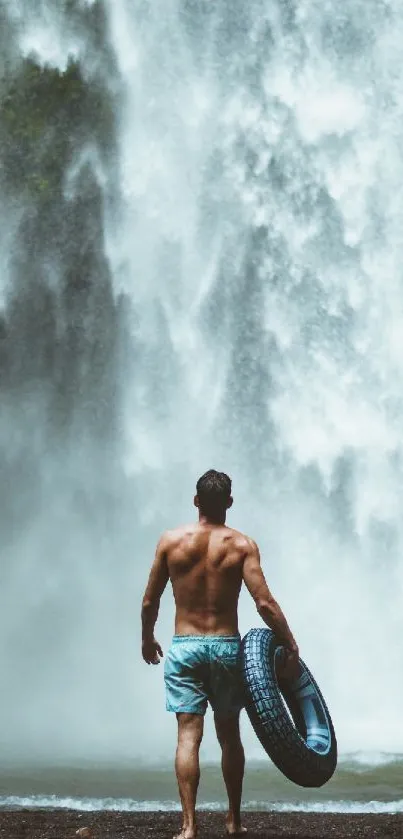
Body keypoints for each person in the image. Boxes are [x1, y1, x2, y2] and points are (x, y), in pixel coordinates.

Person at [141, 470, 299, 839]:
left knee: (186, 736)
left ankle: (189, 826)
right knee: (229, 735)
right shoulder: (242, 545)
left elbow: (151, 599)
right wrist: (289, 642)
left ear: (196, 501)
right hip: (227, 647)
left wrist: (147, 639)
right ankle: (233, 820)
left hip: (185, 646)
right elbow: (264, 603)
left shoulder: (170, 541)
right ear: (229, 502)